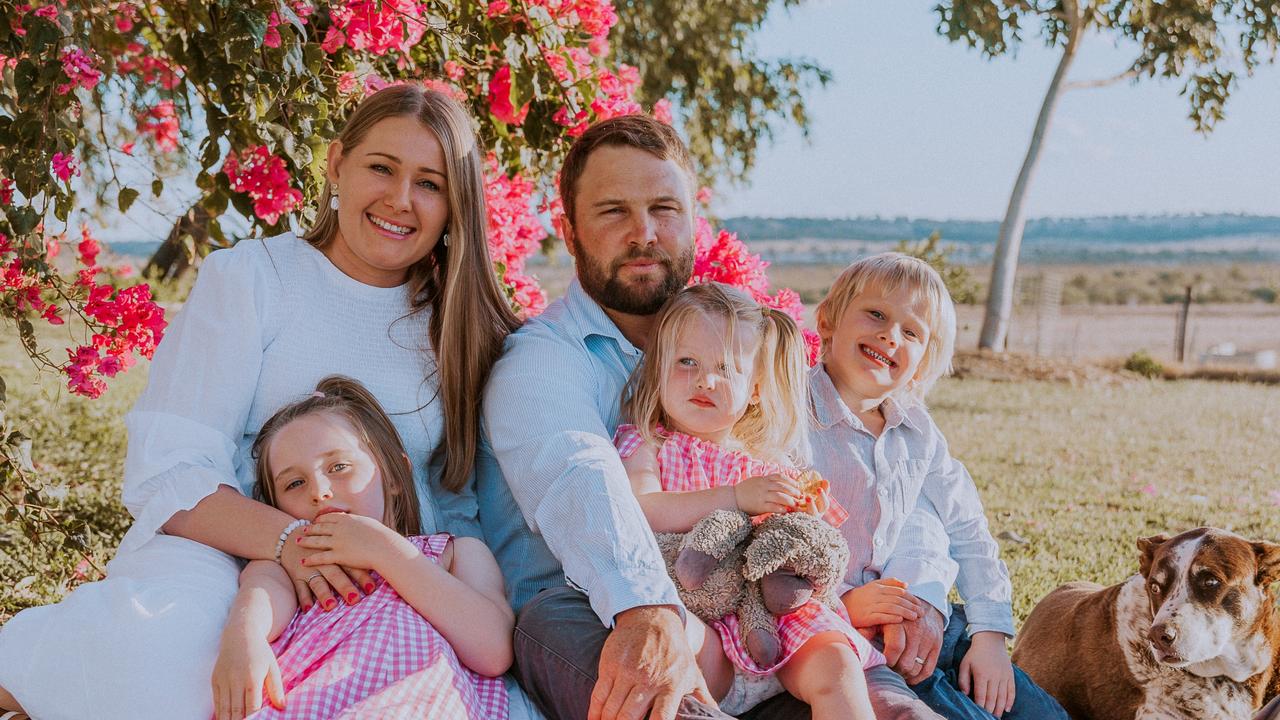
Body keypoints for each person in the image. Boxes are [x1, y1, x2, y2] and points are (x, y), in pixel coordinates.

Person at [0, 84, 522, 720]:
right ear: (336, 165)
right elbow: (171, 469)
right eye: (381, 168)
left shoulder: (458, 324)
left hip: (395, 570)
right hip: (232, 552)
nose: (401, 200)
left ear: (453, 206)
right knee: (188, 672)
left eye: (430, 183)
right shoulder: (253, 278)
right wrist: (295, 542)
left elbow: (461, 499)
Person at [477, 113, 948, 720]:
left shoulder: (729, 348)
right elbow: (583, 482)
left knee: (879, 698)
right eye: (613, 211)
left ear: (693, 223)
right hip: (598, 611)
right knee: (572, 630)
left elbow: (885, 467)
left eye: (665, 209)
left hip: (752, 623)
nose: (644, 233)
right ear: (568, 232)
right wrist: (647, 608)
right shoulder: (541, 364)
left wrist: (900, 588)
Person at [809, 253, 1069, 720]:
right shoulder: (795, 416)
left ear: (923, 362)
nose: (891, 335)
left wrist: (989, 636)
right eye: (876, 314)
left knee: (1043, 715)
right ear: (828, 320)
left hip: (935, 622)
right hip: (850, 637)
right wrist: (842, 602)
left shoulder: (919, 431)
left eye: (912, 332)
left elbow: (966, 525)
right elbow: (777, 537)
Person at [614, 282, 882, 718]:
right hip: (705, 625)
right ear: (657, 369)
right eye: (686, 362)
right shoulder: (647, 443)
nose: (705, 379)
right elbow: (642, 510)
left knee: (838, 665)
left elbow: (821, 539)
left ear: (755, 389)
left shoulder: (765, 464)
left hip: (777, 628)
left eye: (727, 367)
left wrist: (807, 524)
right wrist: (735, 498)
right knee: (670, 635)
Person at [211, 376, 513, 720]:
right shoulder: (292, 564)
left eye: (339, 467)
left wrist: (382, 550)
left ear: (396, 476)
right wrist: (242, 637)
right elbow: (257, 604)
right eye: (295, 483)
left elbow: (493, 651)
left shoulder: (452, 554)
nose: (319, 491)